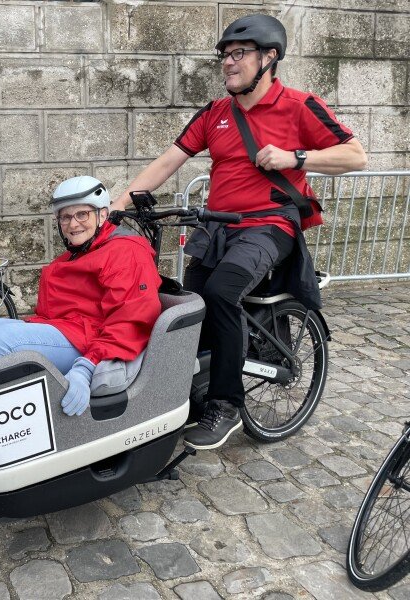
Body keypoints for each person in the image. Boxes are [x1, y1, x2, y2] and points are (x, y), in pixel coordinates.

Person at [112, 14, 367, 450]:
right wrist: (115, 207)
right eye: (225, 57)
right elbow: (167, 162)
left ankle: (226, 406)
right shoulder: (215, 113)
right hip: (218, 228)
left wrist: (295, 158)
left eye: (239, 54)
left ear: (269, 58)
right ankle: (187, 390)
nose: (229, 64)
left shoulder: (300, 106)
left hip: (269, 225)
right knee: (185, 305)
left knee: (220, 293)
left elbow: (356, 156)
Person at [0, 176, 162, 416]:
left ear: (102, 215)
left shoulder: (126, 252)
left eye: (82, 214)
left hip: (94, 339)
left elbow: (131, 318)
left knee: (1, 340)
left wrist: (87, 366)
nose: (73, 224)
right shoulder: (81, 252)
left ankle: (27, 423)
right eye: (65, 217)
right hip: (71, 329)